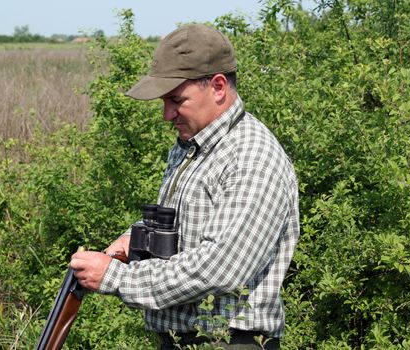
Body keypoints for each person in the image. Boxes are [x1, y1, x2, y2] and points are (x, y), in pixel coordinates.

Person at [70, 23, 300, 349]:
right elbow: (182, 222)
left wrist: (115, 277)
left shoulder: (253, 157)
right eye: (164, 101)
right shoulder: (189, 145)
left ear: (218, 86)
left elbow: (220, 267)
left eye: (177, 100)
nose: (167, 114)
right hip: (182, 340)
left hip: (228, 341)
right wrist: (136, 238)